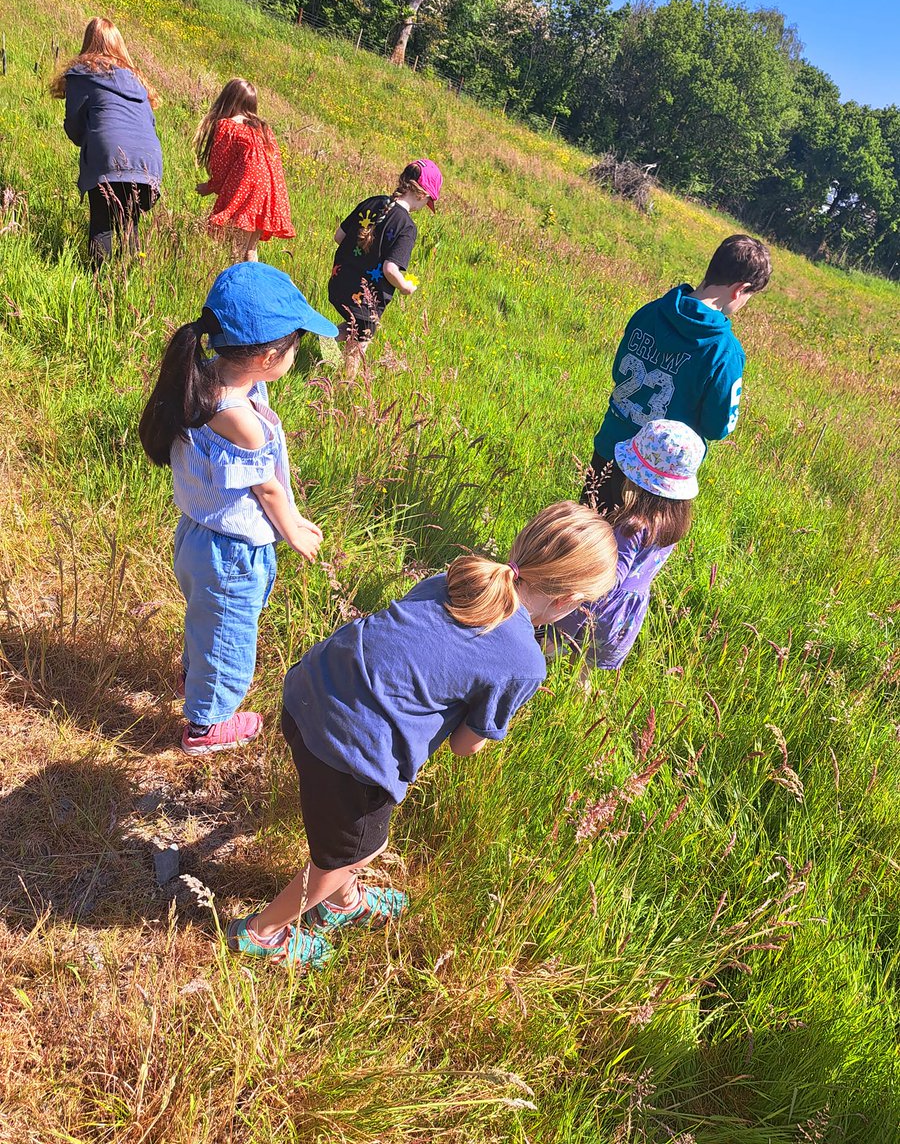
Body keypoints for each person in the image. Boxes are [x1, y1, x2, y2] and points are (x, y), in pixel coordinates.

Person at [226, 501, 618, 969]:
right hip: (352, 750)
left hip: (309, 692)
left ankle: (340, 904)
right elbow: (464, 744)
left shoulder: (456, 580)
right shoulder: (525, 661)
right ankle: (262, 932)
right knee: (352, 854)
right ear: (567, 599)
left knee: (350, 839)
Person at [138, 263, 338, 756]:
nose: (298, 352)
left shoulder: (206, 377)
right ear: (270, 356)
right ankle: (206, 726)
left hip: (197, 536)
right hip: (229, 554)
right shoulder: (241, 422)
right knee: (229, 636)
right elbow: (266, 488)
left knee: (209, 618)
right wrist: (291, 527)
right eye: (296, 344)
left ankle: (193, 675)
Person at [584, 234, 771, 516]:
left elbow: (618, 370)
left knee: (580, 540)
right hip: (656, 478)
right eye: (749, 297)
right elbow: (717, 427)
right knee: (626, 555)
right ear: (739, 289)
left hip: (610, 449)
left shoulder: (649, 312)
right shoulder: (724, 352)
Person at [555, 420, 703, 672]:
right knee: (584, 671)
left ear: (634, 479)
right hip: (627, 616)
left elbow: (610, 577)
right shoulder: (673, 526)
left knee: (551, 645)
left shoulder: (631, 526)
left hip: (599, 608)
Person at [50, 17, 163, 266]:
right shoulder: (138, 81)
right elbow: (149, 123)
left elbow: (74, 128)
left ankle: (97, 286)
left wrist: (88, 139)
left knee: (103, 221)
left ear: (88, 41)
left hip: (108, 156)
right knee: (130, 220)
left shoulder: (82, 74)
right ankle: (128, 282)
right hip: (149, 164)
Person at [328, 159, 442, 377]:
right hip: (364, 298)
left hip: (339, 283)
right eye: (427, 201)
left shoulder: (372, 202)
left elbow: (338, 237)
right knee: (360, 343)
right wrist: (405, 287)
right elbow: (390, 269)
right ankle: (343, 386)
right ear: (422, 194)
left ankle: (327, 335)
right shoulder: (407, 227)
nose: (422, 208)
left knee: (354, 327)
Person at [194, 78, 295, 263]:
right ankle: (252, 286)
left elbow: (221, 165)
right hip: (269, 194)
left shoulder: (228, 126)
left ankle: (235, 288)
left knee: (235, 249)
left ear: (227, 98)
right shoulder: (263, 128)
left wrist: (210, 187)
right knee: (250, 250)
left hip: (247, 190)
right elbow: (275, 163)